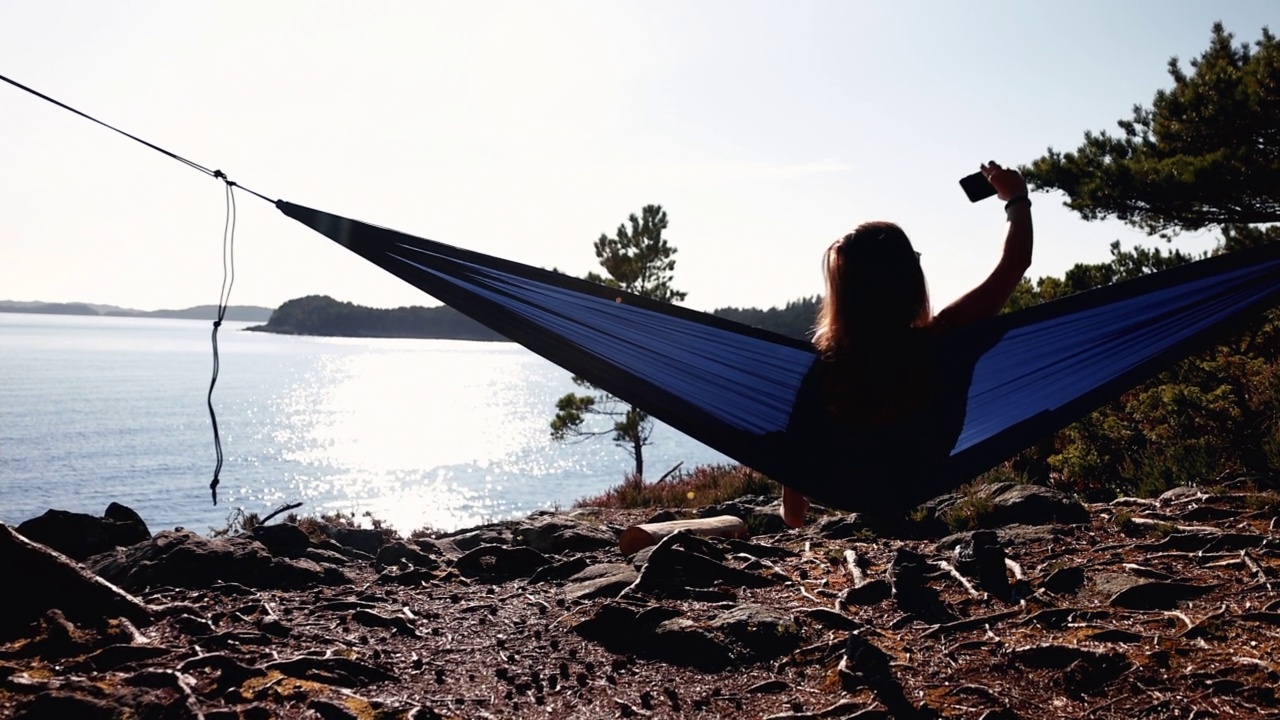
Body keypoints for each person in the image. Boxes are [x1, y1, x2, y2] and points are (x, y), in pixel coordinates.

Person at [781, 161, 1032, 528]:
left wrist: (796, 521)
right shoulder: (945, 340)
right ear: (907, 279)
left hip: (847, 487)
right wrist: (1017, 200)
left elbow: (797, 453)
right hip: (921, 476)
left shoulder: (825, 364)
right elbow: (1013, 265)